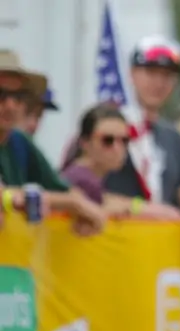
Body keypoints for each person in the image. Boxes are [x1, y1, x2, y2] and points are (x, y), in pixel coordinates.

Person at [99, 35, 180, 251]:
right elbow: (80, 190)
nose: (159, 83)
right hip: (109, 251)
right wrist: (142, 209)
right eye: (150, 73)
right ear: (132, 74)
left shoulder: (171, 136)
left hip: (155, 258)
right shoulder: (104, 126)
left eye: (167, 76)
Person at [0, 49, 105, 235]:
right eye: (1, 94)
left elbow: (64, 189)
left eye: (18, 97)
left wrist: (78, 208)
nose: (10, 105)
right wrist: (74, 204)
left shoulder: (19, 142)